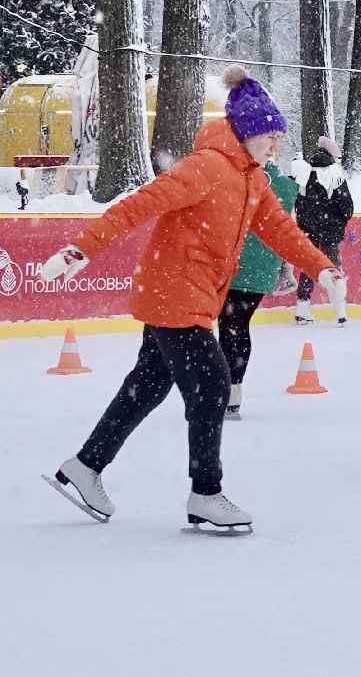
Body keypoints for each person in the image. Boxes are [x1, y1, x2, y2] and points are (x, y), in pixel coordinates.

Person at [40, 66, 343, 534]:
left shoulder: (253, 180)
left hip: (190, 297)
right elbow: (138, 204)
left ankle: (85, 466)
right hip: (175, 294)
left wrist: (322, 266)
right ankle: (205, 493)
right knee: (213, 386)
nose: (275, 146)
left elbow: (280, 229)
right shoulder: (205, 167)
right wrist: (83, 247)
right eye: (270, 136)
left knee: (147, 385)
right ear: (248, 131)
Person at [218, 155, 300, 419]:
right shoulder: (286, 187)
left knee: (229, 327)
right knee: (239, 325)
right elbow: (289, 230)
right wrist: (285, 266)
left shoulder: (236, 179)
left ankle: (225, 391)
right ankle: (233, 389)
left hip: (234, 264)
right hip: (264, 266)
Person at [292, 135, 353, 325]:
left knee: (310, 266)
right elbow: (347, 206)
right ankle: (340, 310)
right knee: (334, 268)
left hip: (308, 230)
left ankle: (303, 306)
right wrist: (339, 221)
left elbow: (298, 203)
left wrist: (306, 223)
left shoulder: (305, 175)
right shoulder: (336, 177)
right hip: (331, 232)